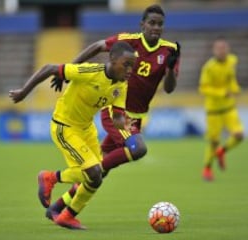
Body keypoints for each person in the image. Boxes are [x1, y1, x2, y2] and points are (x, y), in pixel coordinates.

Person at [47, 4, 180, 218]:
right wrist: (68, 70)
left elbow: (169, 88)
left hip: (136, 118)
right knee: (137, 149)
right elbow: (98, 46)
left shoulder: (170, 50)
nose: (156, 27)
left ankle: (59, 206)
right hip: (115, 110)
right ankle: (62, 186)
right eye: (152, 23)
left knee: (101, 171)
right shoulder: (129, 41)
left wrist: (171, 69)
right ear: (143, 24)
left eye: (160, 24)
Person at [9, 41, 137, 229]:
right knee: (93, 173)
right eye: (126, 65)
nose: (129, 70)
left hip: (86, 129)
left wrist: (126, 127)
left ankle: (66, 216)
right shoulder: (90, 72)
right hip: (65, 126)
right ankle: (50, 177)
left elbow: (117, 116)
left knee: (98, 174)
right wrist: (23, 93)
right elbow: (49, 68)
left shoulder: (121, 86)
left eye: (132, 66)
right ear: (112, 59)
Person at [199, 37, 244, 181]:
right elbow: (203, 88)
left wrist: (235, 89)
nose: (221, 51)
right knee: (213, 142)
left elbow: (231, 79)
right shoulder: (209, 67)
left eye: (224, 48)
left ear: (228, 49)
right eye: (218, 48)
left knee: (239, 135)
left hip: (229, 108)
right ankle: (207, 168)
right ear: (214, 50)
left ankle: (221, 151)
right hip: (213, 110)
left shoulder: (233, 60)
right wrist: (222, 93)